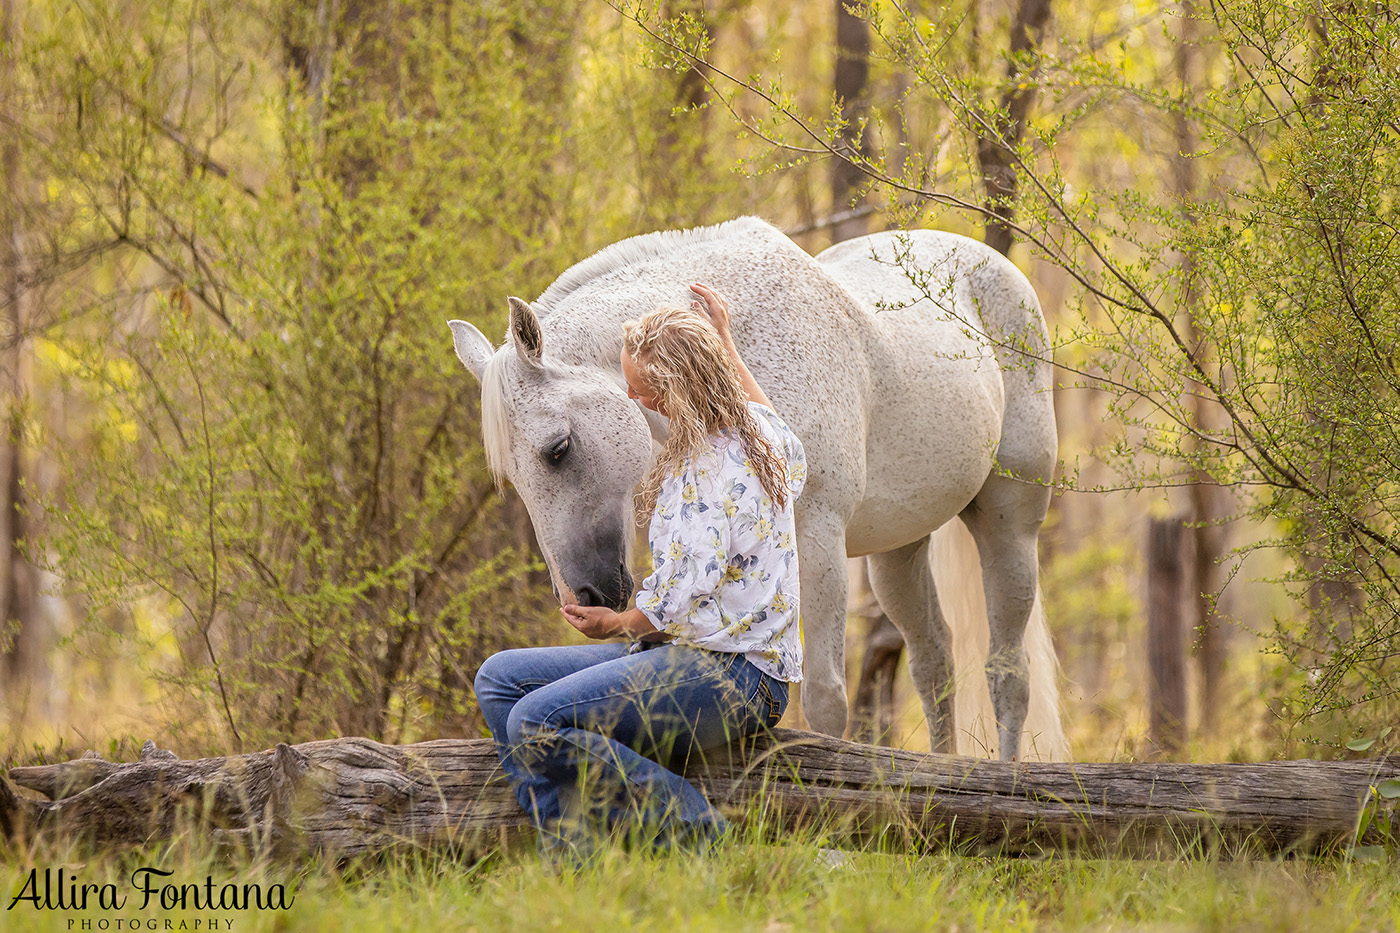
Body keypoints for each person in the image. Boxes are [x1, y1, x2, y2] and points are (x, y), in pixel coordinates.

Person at [473, 283, 807, 861]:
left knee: (533, 720)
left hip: (736, 678)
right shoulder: (762, 439)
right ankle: (577, 855)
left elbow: (670, 608)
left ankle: (703, 835)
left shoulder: (712, 473)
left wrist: (612, 623)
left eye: (640, 384)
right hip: (688, 654)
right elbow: (764, 410)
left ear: (677, 385)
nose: (629, 393)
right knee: (499, 679)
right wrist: (723, 337)